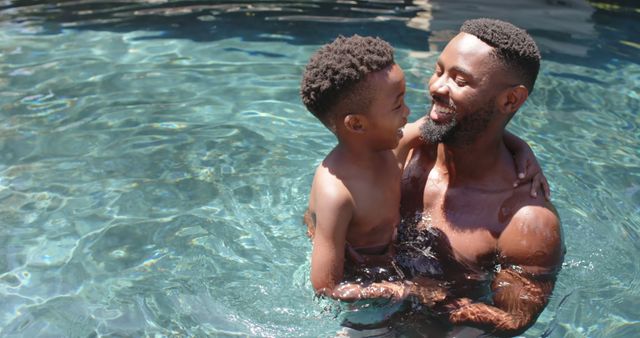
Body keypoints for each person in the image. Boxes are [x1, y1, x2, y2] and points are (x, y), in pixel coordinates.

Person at [299, 35, 550, 311]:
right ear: (357, 124)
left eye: (459, 80)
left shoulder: (392, 144)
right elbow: (325, 285)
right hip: (361, 284)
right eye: (397, 105)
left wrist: (523, 150)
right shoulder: (338, 194)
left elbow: (478, 129)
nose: (409, 111)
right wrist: (404, 290)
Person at [393, 18, 565, 336]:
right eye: (438, 70)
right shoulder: (405, 151)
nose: (435, 87)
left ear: (510, 100)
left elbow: (513, 320)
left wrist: (436, 303)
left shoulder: (525, 223)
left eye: (459, 80)